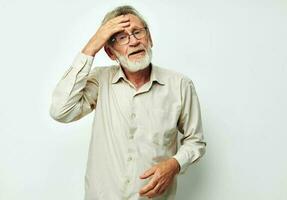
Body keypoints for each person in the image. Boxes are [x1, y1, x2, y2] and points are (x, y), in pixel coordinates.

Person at [49, 5, 206, 200]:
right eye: (122, 37)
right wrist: (92, 45)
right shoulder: (100, 81)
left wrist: (174, 164)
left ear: (150, 39)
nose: (133, 42)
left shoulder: (180, 85)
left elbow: (195, 141)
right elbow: (60, 110)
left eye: (137, 32)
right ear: (111, 52)